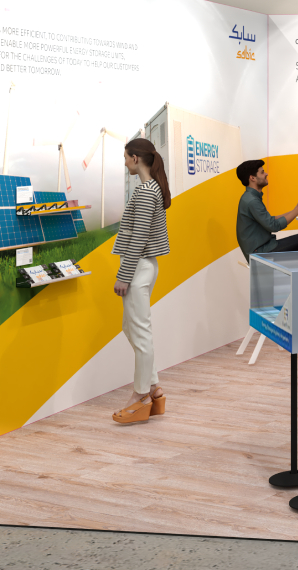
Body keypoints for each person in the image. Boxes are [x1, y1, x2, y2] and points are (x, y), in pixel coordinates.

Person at [111, 138, 172, 424]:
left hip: (138, 267)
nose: (125, 163)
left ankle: (140, 396)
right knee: (133, 329)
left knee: (140, 332)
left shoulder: (147, 191)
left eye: (126, 158)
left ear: (135, 158)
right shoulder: (151, 188)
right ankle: (155, 389)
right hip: (142, 266)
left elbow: (139, 237)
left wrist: (124, 275)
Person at [235, 159, 298, 261]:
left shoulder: (250, 197)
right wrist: (297, 210)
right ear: (252, 178)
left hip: (262, 248)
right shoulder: (252, 201)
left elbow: (270, 220)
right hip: (261, 252)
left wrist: (297, 210)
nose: (266, 174)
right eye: (262, 172)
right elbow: (274, 226)